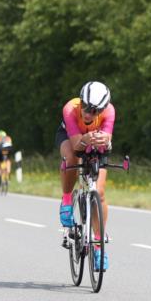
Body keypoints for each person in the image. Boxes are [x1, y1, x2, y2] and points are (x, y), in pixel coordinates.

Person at [56, 81, 115, 267]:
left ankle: (98, 246)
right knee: (72, 159)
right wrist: (86, 140)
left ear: (102, 109)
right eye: (85, 106)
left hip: (94, 139)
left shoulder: (110, 111)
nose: (88, 113)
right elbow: (77, 146)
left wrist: (105, 140)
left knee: (100, 192)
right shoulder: (70, 109)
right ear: (80, 101)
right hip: (71, 137)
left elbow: (107, 141)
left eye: (94, 110)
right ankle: (67, 200)